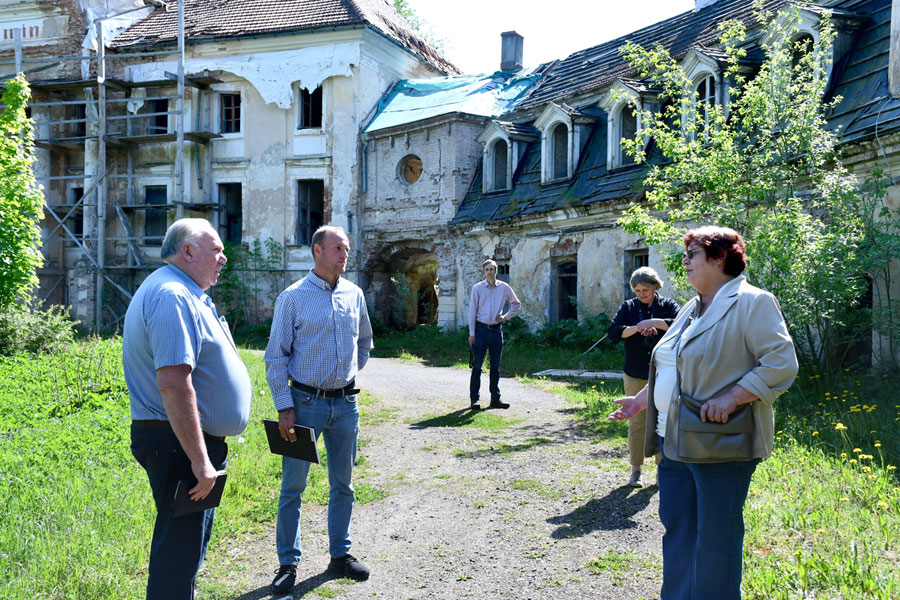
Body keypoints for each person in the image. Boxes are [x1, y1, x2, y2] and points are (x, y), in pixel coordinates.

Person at [608, 226, 798, 600]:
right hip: (673, 439)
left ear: (721, 257)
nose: (685, 262)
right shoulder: (692, 307)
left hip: (720, 441)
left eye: (693, 254)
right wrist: (641, 401)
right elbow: (671, 364)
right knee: (678, 532)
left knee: (715, 540)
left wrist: (733, 397)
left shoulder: (753, 302)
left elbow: (781, 363)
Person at [124, 218, 251, 600]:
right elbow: (173, 383)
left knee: (185, 553)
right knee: (178, 557)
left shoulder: (182, 291)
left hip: (181, 442)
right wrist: (199, 460)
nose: (223, 258)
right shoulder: (173, 295)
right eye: (216, 250)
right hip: (178, 446)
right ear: (188, 251)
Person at [265, 225, 374, 593]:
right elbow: (275, 357)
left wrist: (344, 378)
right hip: (304, 405)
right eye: (337, 248)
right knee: (293, 486)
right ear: (317, 251)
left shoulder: (354, 295)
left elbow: (364, 343)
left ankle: (340, 556)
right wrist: (284, 406)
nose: (345, 254)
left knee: (344, 484)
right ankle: (287, 563)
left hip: (346, 405)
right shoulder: (292, 298)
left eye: (346, 248)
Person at [608, 266, 679, 488]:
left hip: (663, 373)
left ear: (656, 287)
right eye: (637, 290)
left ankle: (661, 470)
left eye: (645, 290)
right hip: (635, 371)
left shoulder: (668, 305)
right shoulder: (628, 307)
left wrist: (655, 323)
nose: (641, 294)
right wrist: (637, 328)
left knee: (662, 420)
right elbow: (613, 332)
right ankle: (636, 470)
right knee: (637, 421)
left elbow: (682, 325)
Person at [468, 259, 521, 410]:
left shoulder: (504, 287)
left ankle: (495, 399)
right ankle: (474, 400)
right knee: (477, 366)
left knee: (495, 367)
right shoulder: (477, 288)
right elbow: (472, 312)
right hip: (481, 330)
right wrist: (472, 334)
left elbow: (516, 304)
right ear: (484, 272)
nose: (490, 272)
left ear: (496, 271)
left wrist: (505, 316)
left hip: (497, 331)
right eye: (487, 269)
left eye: (492, 269)